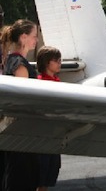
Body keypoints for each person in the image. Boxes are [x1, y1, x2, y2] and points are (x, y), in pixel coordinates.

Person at [1, 19, 40, 191]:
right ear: (23, 38)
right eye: (34, 36)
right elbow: (23, 97)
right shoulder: (19, 64)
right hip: (22, 128)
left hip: (16, 129)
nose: (36, 40)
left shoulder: (11, 60)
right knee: (23, 176)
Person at [36, 46, 63, 191]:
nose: (60, 62)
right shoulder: (40, 82)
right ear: (47, 62)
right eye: (56, 60)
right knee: (41, 173)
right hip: (43, 135)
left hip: (54, 134)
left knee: (50, 171)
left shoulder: (56, 81)